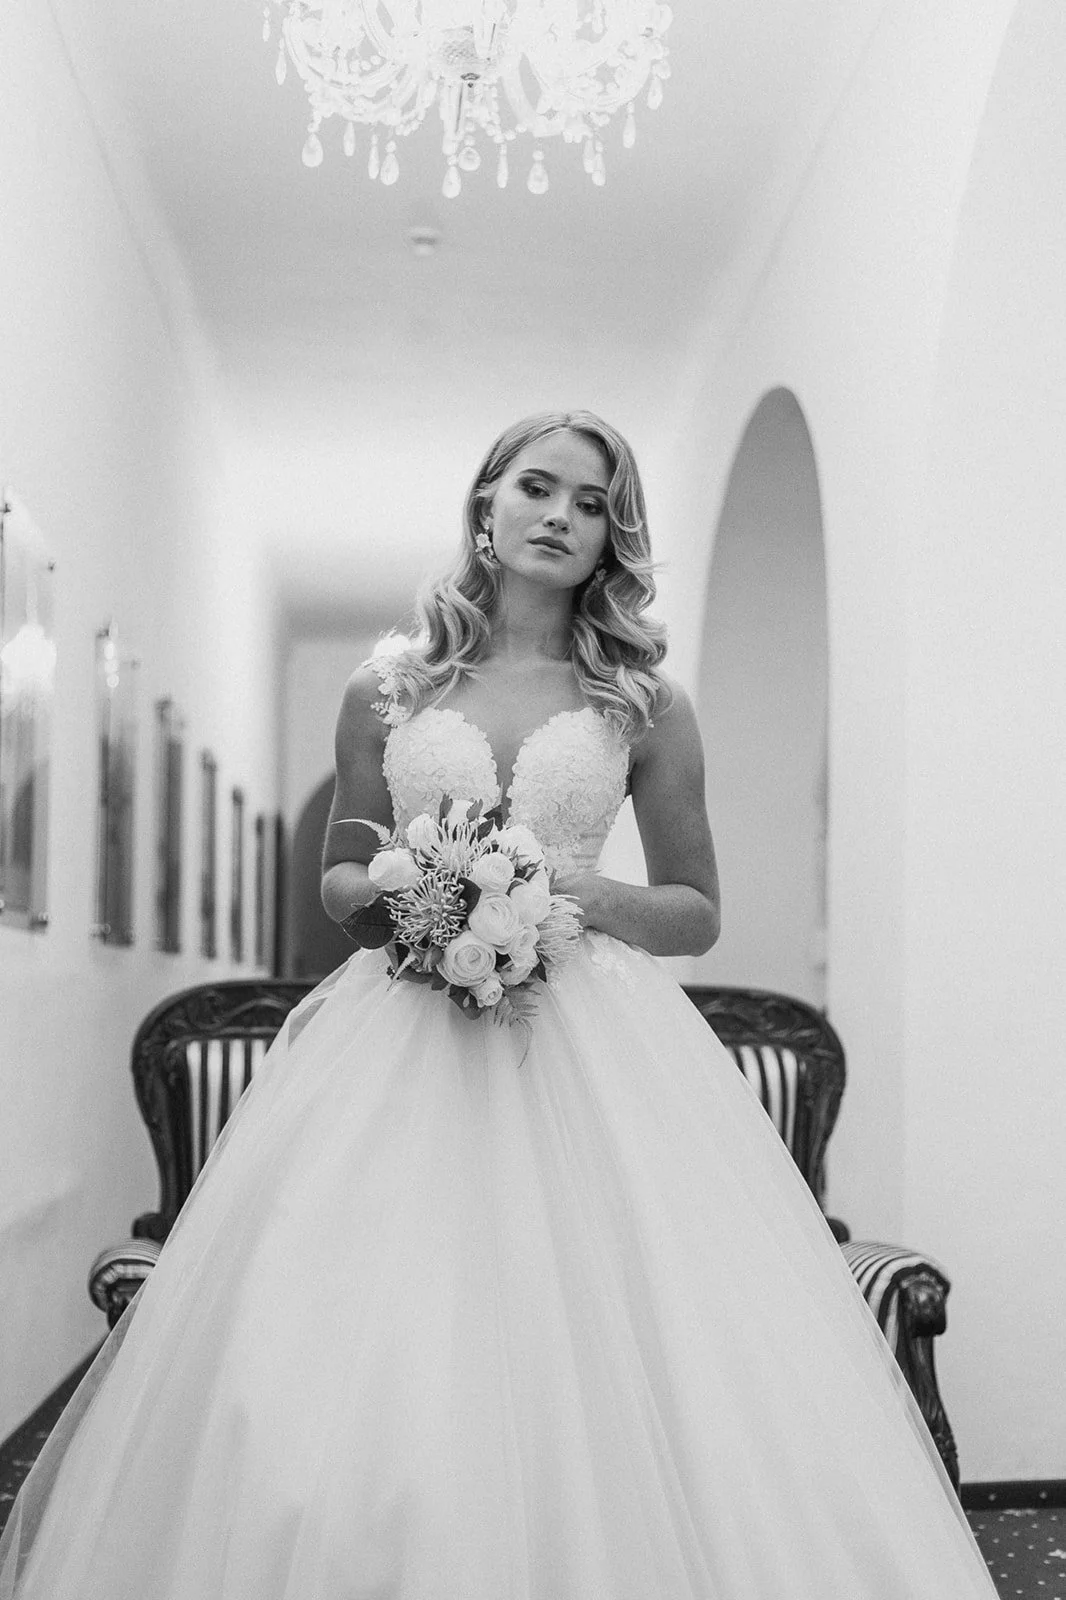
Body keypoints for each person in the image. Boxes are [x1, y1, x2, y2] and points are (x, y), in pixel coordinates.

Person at [0, 410, 998, 1599]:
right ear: (486, 500)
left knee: (624, 1347)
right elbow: (337, 870)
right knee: (364, 1346)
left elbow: (694, 908)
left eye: (590, 504)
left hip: (592, 1047)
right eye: (538, 487)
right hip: (402, 1036)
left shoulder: (643, 703)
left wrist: (573, 890)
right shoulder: (389, 685)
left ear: (610, 540)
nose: (559, 517)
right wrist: (420, 898)